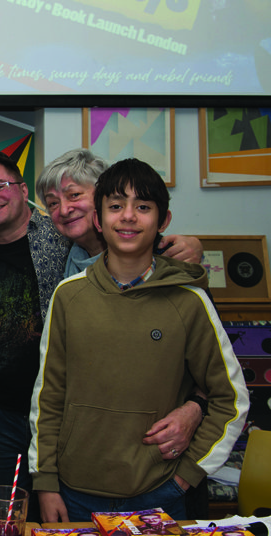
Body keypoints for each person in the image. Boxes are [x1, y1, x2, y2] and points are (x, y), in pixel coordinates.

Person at [29, 158, 249, 523]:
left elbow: (232, 398)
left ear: (163, 221)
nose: (128, 216)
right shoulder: (68, 295)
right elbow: (48, 397)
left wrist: (188, 473)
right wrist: (46, 482)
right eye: (116, 206)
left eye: (143, 207)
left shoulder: (188, 299)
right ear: (99, 219)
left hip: (160, 492)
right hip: (74, 491)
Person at [36, 149, 208, 462]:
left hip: (155, 448)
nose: (64, 209)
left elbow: (212, 361)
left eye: (74, 195)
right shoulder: (63, 260)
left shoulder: (162, 260)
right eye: (52, 203)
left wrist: (195, 408)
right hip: (88, 444)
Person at [0, 151, 69, 515]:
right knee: (8, 518)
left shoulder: (63, 236)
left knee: (63, 518)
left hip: (62, 412)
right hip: (1, 414)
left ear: (23, 190)